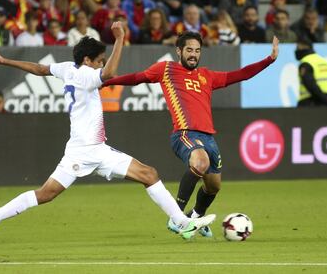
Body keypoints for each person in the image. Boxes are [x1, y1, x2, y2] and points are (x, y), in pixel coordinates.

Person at [0, 22, 215, 247]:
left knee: (148, 174)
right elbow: (108, 75)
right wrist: (120, 39)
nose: (102, 64)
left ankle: (181, 222)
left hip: (97, 149)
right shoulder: (86, 75)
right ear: (88, 60)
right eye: (99, 60)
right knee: (46, 194)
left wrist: (5, 61)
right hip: (82, 151)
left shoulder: (67, 68)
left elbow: (38, 68)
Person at [103, 31, 279, 238]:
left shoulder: (207, 75)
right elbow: (136, 78)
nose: (193, 54)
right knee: (201, 163)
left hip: (208, 138)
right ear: (179, 51)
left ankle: (195, 216)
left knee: (213, 186)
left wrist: (270, 60)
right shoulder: (166, 70)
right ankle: (176, 216)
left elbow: (240, 74)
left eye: (197, 50)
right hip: (184, 134)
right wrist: (105, 82)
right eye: (189, 50)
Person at [295, 38, 327, 107]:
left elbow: (310, 84)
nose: (296, 50)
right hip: (326, 104)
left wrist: (322, 98)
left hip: (309, 103)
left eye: (298, 47)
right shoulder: (324, 62)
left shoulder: (305, 63)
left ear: (305, 47)